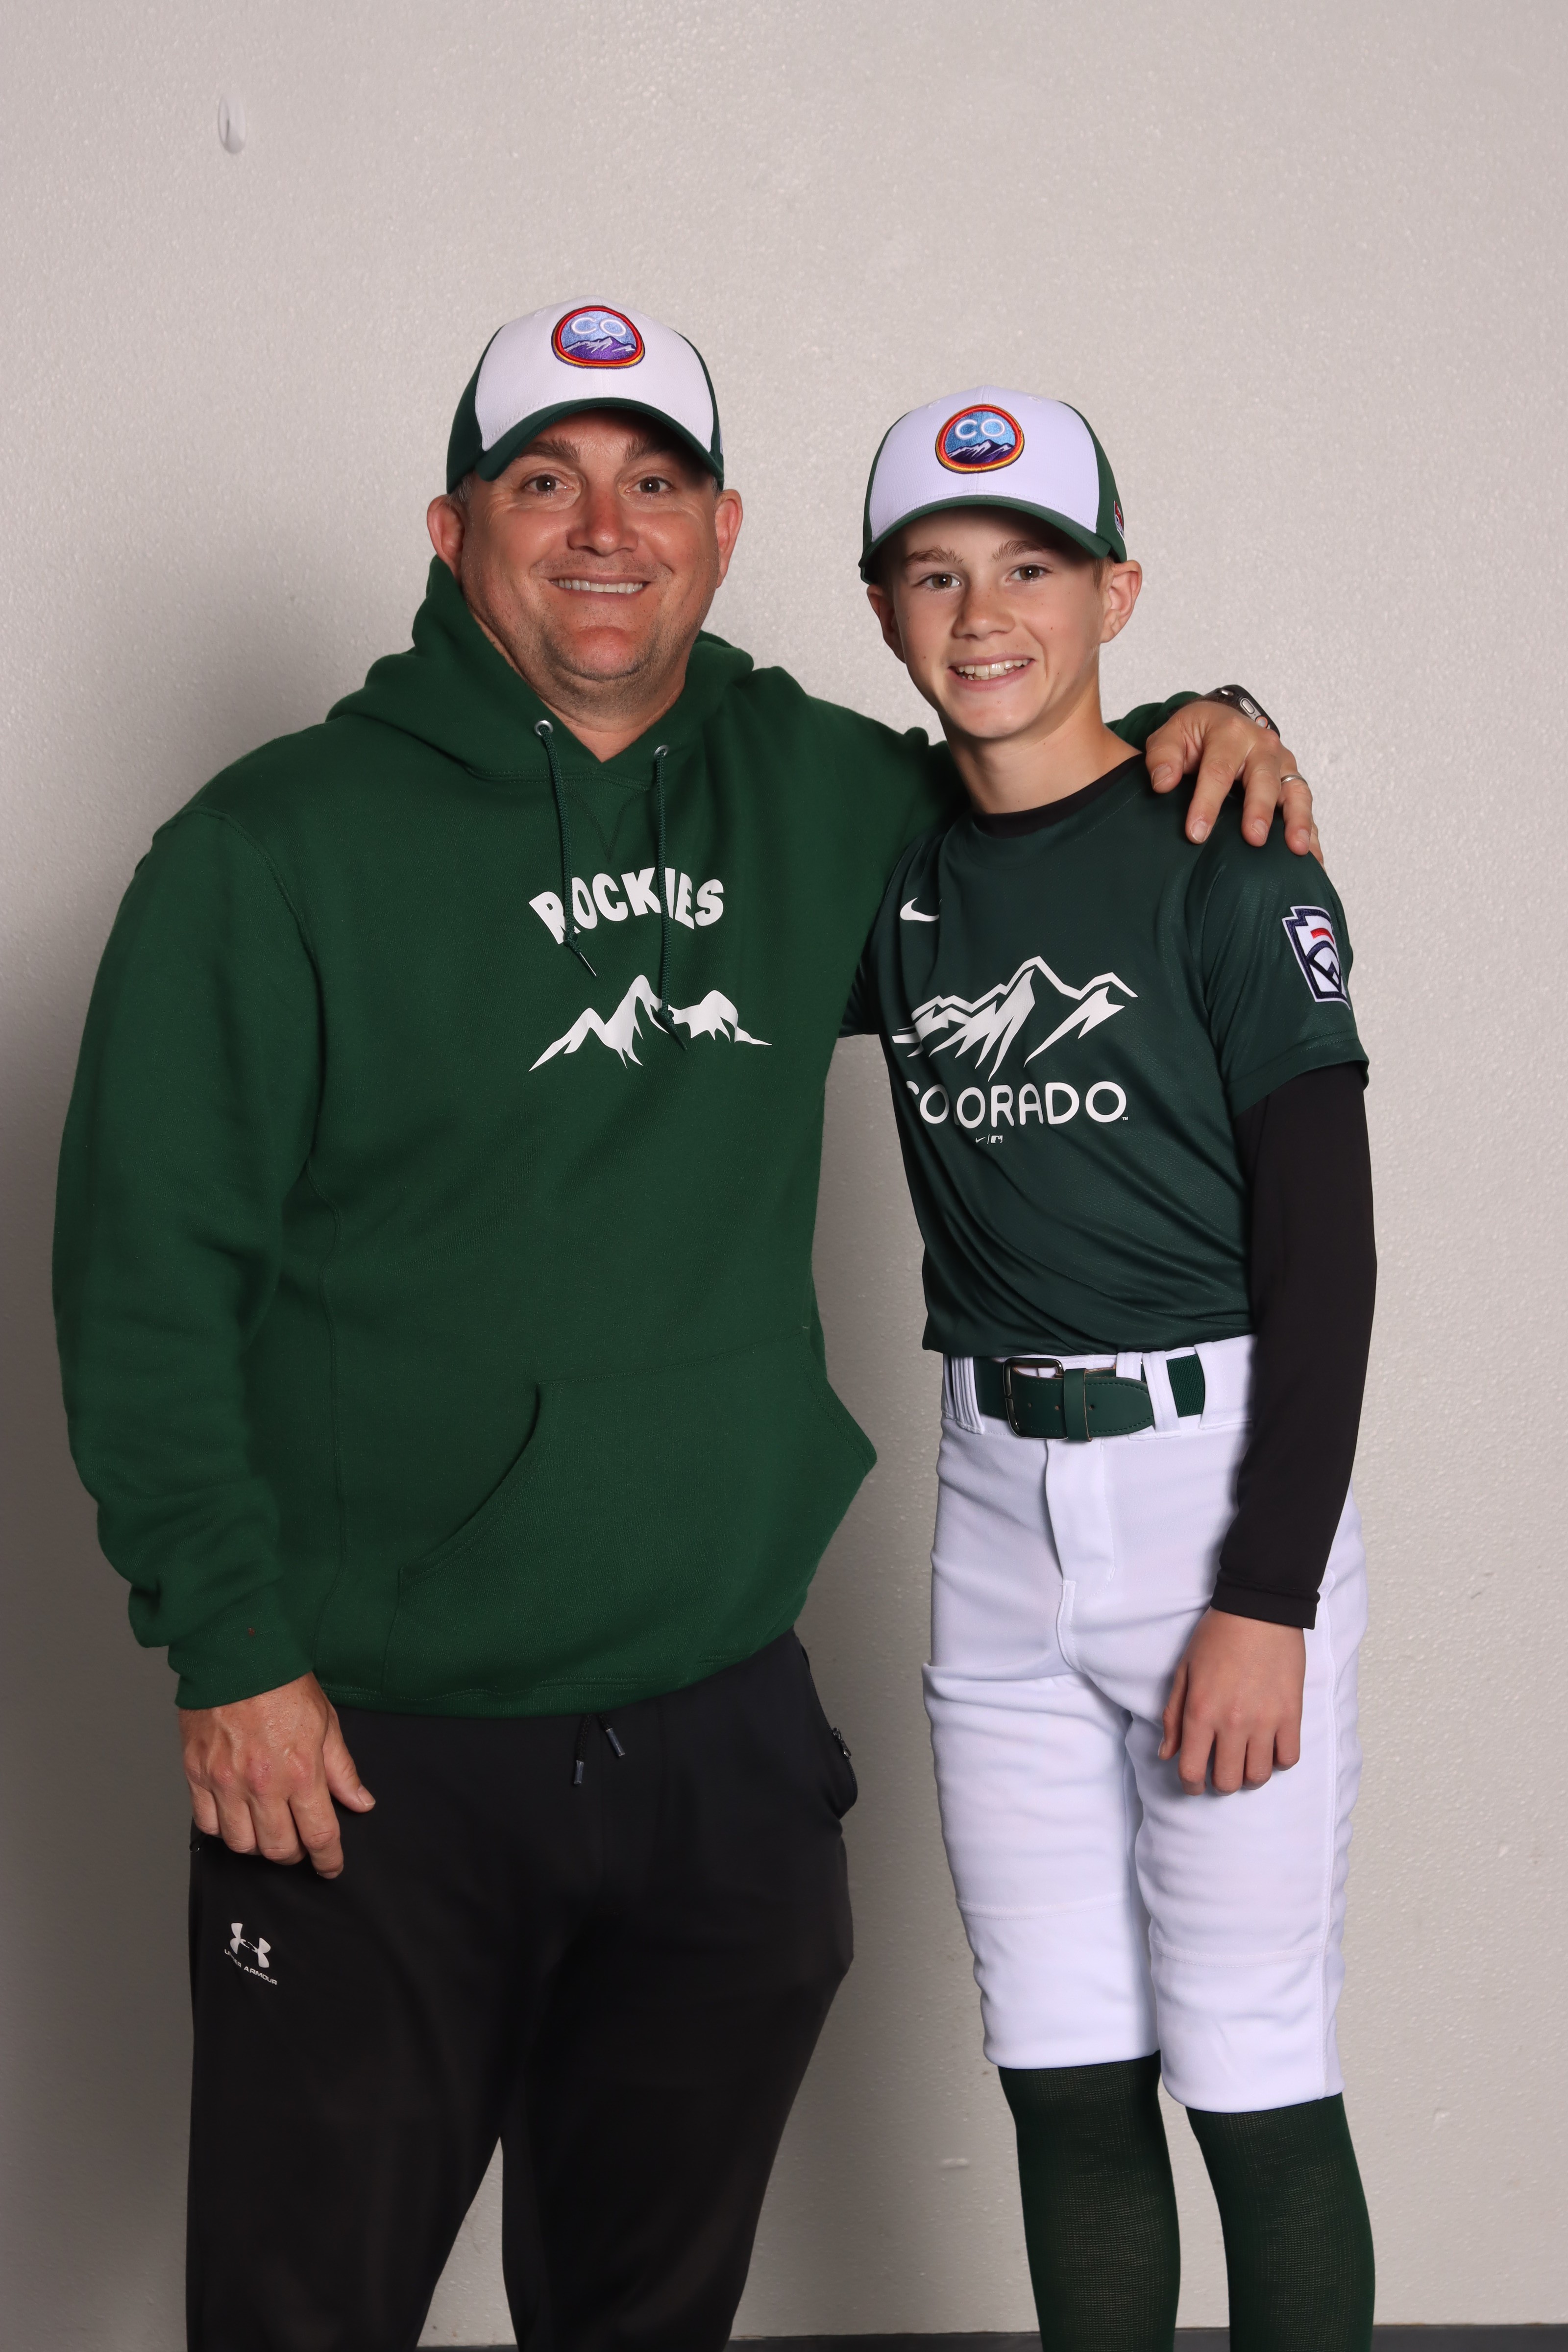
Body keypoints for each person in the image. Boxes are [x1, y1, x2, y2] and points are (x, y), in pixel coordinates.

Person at [53, 305, 1319, 2352]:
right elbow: (140, 1284)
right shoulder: (265, 852)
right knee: (304, 2314)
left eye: (653, 482)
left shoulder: (817, 792)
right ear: (452, 530)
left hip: (720, 1738)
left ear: (723, 534)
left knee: (649, 2316)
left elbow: (1042, 796)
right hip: (373, 1745)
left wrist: (1206, 720)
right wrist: (233, 1653)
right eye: (543, 481)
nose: (602, 529)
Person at [844, 386, 1377, 2352]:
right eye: (933, 576)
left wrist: (1266, 1597)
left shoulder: (1224, 852)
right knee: (1061, 2070)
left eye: (1032, 569)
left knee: (1248, 2061)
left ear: (1115, 593)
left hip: (1209, 1484)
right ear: (884, 613)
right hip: (993, 1504)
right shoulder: (886, 862)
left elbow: (1328, 1258)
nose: (983, 616)